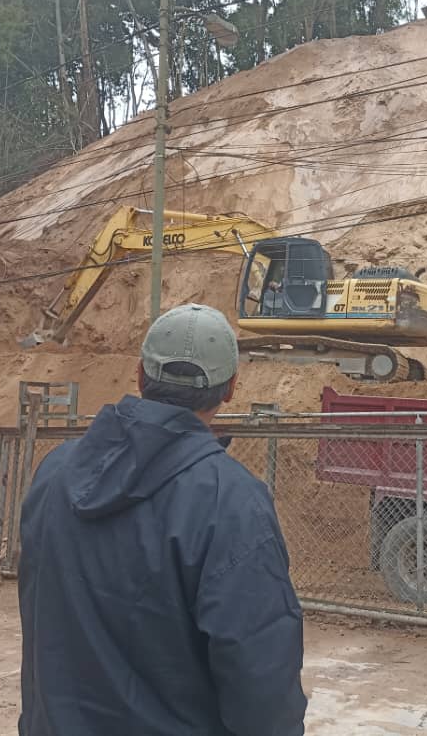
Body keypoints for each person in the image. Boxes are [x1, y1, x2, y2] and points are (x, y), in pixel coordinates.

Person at [17, 303, 307, 736]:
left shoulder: (55, 473)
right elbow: (261, 685)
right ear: (229, 388)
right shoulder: (230, 501)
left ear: (139, 375)